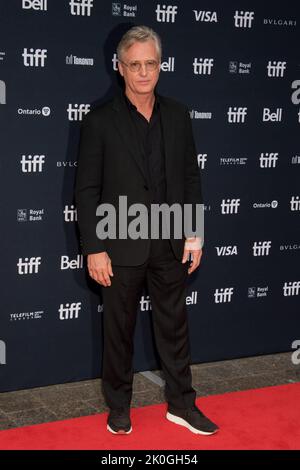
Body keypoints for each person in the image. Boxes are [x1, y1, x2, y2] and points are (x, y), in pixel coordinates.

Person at [74, 25, 219, 436]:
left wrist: (194, 232)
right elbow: (85, 190)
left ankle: (182, 404)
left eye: (150, 64)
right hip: (119, 241)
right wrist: (94, 248)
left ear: (161, 66)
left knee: (174, 327)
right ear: (119, 68)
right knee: (117, 331)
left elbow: (190, 177)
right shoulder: (99, 121)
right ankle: (119, 406)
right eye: (134, 65)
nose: (143, 73)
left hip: (170, 239)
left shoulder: (178, 115)